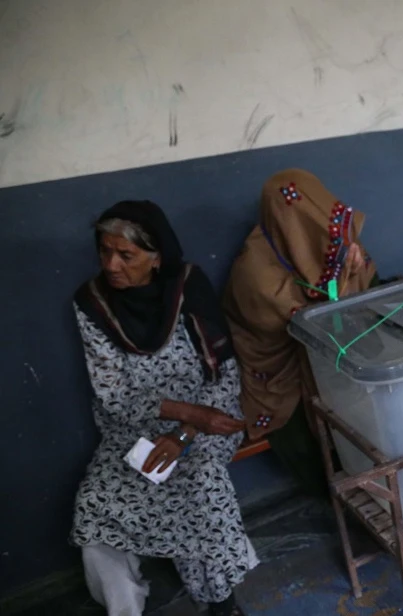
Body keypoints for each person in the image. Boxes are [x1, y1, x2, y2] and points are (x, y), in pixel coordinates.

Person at [72, 200, 256, 616]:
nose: (112, 265)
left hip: (211, 415)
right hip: (132, 424)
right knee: (94, 506)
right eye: (105, 251)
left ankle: (219, 602)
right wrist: (183, 418)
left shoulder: (188, 287)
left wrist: (185, 433)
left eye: (126, 255)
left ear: (155, 259)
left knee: (199, 489)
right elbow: (113, 395)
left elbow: (223, 375)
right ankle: (124, 609)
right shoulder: (91, 303)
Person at [222, 169, 377, 495]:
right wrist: (345, 277)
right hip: (280, 372)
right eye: (309, 230)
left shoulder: (327, 244)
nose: (330, 242)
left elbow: (356, 290)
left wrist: (352, 267)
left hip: (327, 351)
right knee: (316, 430)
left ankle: (372, 482)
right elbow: (313, 327)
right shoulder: (254, 272)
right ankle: (342, 496)